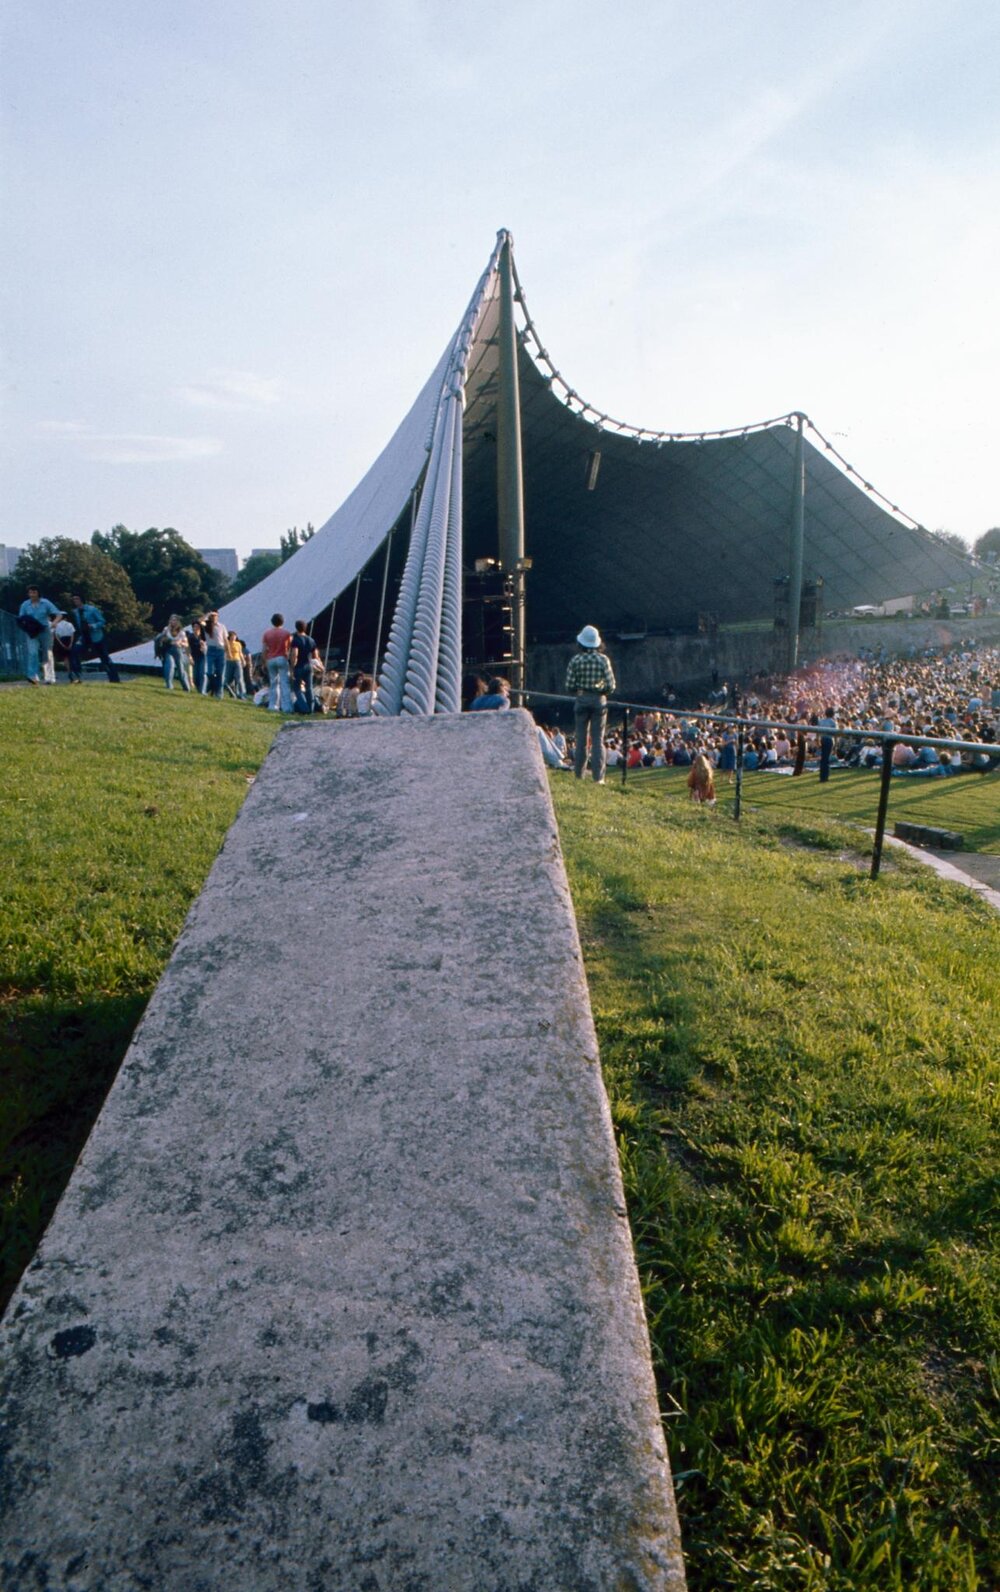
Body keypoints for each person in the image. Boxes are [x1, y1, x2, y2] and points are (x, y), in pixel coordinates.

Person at [566, 624, 616, 783]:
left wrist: (580, 690)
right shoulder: (603, 660)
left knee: (580, 741)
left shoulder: (575, 660)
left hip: (581, 700)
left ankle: (579, 776)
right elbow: (611, 685)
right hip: (598, 700)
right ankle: (598, 778)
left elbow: (569, 685)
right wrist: (602, 692)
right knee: (597, 741)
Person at [69, 594, 121, 683]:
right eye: (74, 599)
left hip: (96, 636)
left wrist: (93, 626)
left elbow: (102, 621)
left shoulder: (92, 609)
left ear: (82, 599)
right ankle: (76, 676)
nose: (75, 601)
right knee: (74, 652)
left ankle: (114, 678)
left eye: (77, 599)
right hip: (84, 636)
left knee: (104, 657)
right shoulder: (75, 612)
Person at [17, 586, 60, 684]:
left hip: (44, 630)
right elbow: (21, 618)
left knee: (47, 653)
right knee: (33, 652)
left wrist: (54, 622)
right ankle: (32, 676)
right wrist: (25, 626)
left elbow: (58, 614)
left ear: (38, 593)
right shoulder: (25, 604)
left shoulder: (46, 603)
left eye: (34, 592)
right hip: (32, 631)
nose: (32, 594)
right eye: (30, 592)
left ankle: (50, 677)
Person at [261, 612, 293, 712]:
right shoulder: (287, 633)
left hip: (270, 658)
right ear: (282, 622)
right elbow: (290, 648)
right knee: (284, 683)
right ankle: (286, 707)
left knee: (273, 683)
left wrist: (264, 661)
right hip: (282, 657)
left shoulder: (267, 633)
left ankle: (273, 705)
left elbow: (264, 649)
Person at [288, 621, 319, 714]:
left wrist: (292, 667)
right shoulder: (311, 640)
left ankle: (304, 708)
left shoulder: (296, 640)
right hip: (308, 665)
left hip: (299, 666)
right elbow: (315, 655)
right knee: (309, 688)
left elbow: (294, 654)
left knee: (297, 688)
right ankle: (311, 708)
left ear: (296, 628)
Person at [158, 615, 191, 690]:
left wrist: (180, 643)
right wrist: (167, 639)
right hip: (168, 649)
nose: (173, 622)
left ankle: (186, 687)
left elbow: (186, 644)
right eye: (171, 620)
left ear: (178, 622)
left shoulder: (181, 631)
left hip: (178, 650)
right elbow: (161, 638)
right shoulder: (166, 629)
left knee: (181, 669)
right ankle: (169, 685)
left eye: (174, 620)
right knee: (169, 666)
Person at [203, 611, 228, 699]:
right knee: (210, 672)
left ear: (218, 617)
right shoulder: (206, 626)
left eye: (215, 616)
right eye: (212, 616)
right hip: (211, 649)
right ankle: (212, 687)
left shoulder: (222, 626)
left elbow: (225, 639)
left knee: (220, 673)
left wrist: (228, 652)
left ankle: (219, 693)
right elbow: (200, 621)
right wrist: (208, 614)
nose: (214, 617)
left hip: (221, 650)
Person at [185, 620, 208, 694]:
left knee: (203, 673)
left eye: (197, 626)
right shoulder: (190, 636)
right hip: (194, 657)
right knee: (196, 675)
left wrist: (204, 646)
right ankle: (199, 689)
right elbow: (187, 647)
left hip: (203, 656)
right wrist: (189, 657)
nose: (196, 628)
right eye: (194, 626)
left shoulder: (203, 636)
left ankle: (203, 691)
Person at [224, 628, 247, 698]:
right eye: (232, 636)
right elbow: (224, 652)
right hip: (229, 661)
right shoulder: (226, 643)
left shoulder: (238, 644)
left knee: (239, 678)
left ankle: (242, 694)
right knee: (228, 679)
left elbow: (240, 653)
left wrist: (243, 660)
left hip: (237, 661)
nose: (233, 638)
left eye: (234, 636)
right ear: (229, 637)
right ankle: (232, 693)